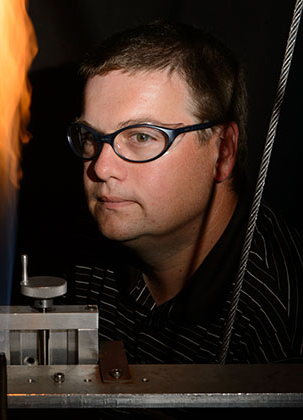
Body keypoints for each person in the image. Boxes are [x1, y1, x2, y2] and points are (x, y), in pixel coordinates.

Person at [65, 21, 303, 364]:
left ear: (222, 151)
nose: (101, 169)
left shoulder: (281, 312)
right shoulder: (84, 248)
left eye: (142, 137)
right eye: (91, 137)